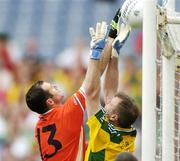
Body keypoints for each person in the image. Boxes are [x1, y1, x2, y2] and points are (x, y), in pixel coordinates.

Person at [25, 21, 110, 161]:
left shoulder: (40, 126)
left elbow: (92, 80)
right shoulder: (67, 113)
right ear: (50, 101)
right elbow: (90, 86)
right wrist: (95, 52)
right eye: (52, 88)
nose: (56, 86)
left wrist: (108, 47)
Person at [84, 9, 139, 161]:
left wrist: (96, 54)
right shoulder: (129, 133)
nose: (107, 102)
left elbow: (92, 92)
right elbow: (108, 92)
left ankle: (114, 52)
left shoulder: (107, 131)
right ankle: (115, 53)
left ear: (114, 117)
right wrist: (113, 56)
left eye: (110, 104)